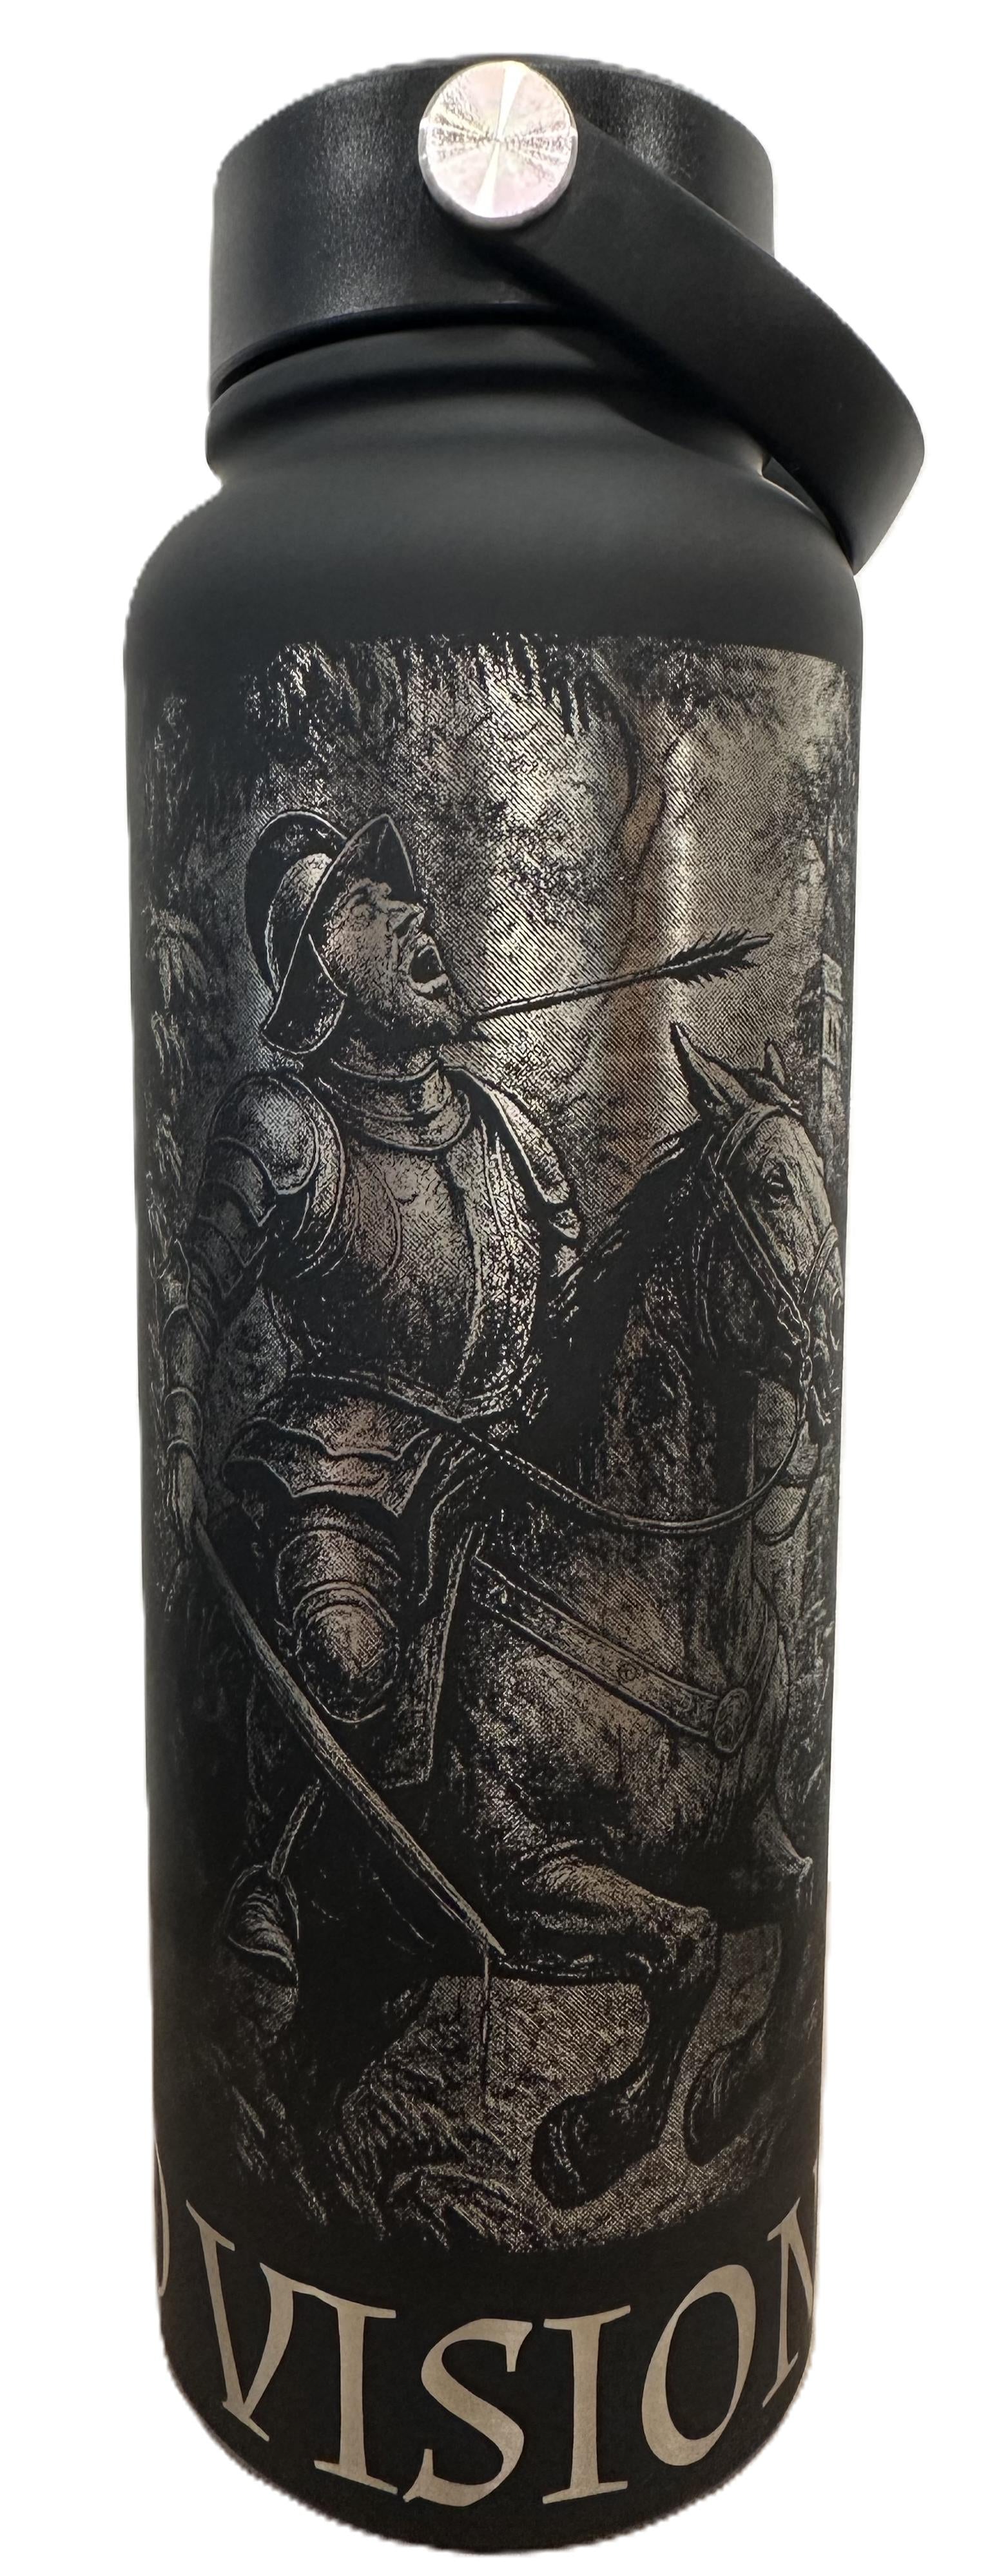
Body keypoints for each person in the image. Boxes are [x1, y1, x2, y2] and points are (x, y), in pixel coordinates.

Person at [160, 809, 579, 1976]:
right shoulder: (289, 1129)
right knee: (348, 1657)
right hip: (340, 1477)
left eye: (405, 893)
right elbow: (190, 1299)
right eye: (368, 904)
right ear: (321, 978)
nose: (414, 915)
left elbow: (574, 1302)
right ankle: (275, 1874)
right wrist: (181, 1444)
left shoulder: (510, 1133)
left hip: (500, 1459)